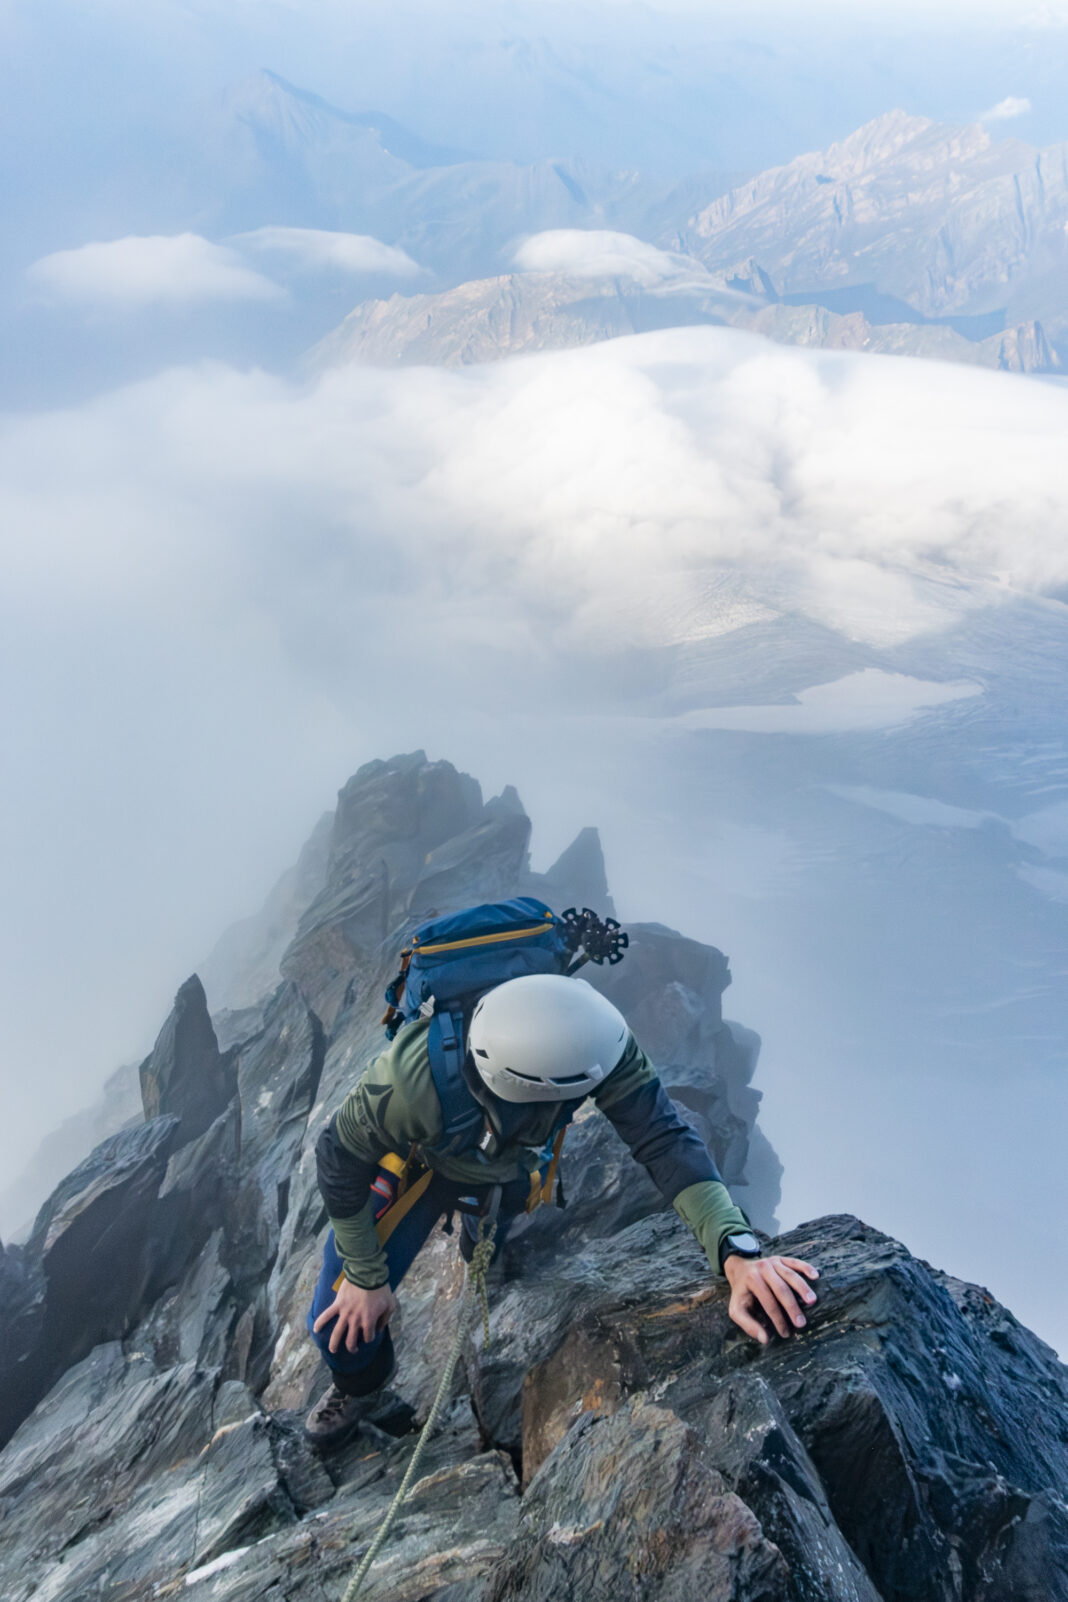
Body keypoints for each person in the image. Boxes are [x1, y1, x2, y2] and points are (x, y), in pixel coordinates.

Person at [305, 972, 819, 1447]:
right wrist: (367, 1277)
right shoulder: (408, 1080)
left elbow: (664, 1137)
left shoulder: (600, 1041)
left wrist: (737, 1249)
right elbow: (337, 1158)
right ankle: (361, 1385)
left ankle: (482, 1250)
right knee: (337, 1323)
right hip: (420, 1163)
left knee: (489, 1229)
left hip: (505, 1171)